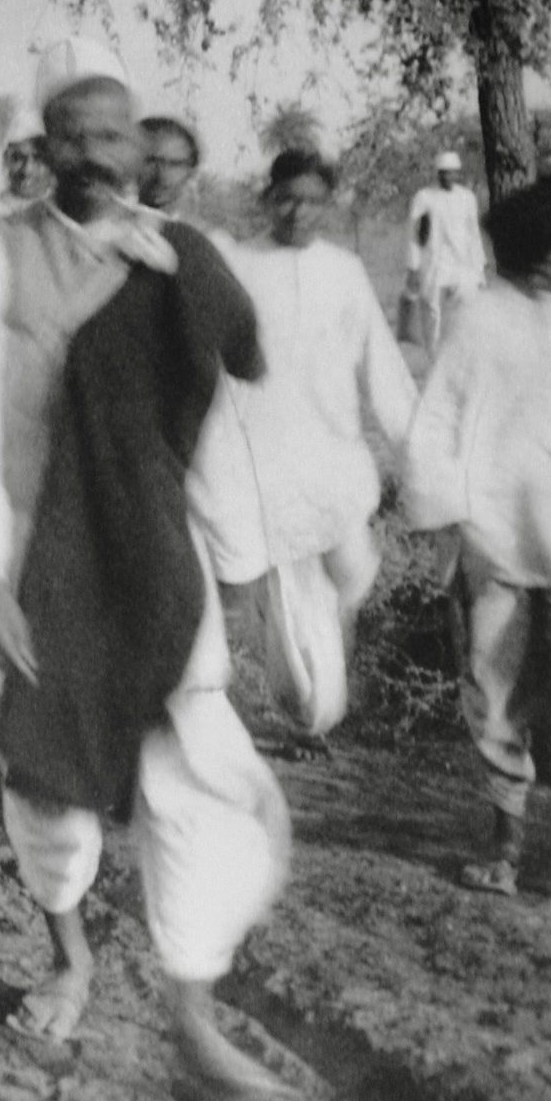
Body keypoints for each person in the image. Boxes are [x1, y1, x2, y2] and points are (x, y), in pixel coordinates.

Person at [0, 40, 287, 1096]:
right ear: (42, 148)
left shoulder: (177, 257)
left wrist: (242, 564)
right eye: (71, 136)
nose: (92, 154)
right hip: (29, 563)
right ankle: (68, 958)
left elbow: (219, 421)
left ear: (137, 143)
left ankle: (190, 1013)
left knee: (198, 785)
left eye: (111, 133)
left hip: (153, 562)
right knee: (50, 787)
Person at [402, 173, 551, 897]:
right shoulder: (477, 317)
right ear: (539, 253)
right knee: (498, 687)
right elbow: (441, 422)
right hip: (499, 537)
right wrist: (451, 528)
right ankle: (509, 853)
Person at [204, 149, 417, 752]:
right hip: (260, 460)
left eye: (313, 200)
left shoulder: (345, 272)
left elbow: (382, 365)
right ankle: (306, 708)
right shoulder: (238, 264)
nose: (299, 211)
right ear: (268, 198)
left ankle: (314, 692)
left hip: (333, 457)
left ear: (329, 205)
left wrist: (420, 458)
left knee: (350, 576)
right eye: (287, 197)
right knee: (287, 600)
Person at [405, 150, 487, 353]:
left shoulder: (467, 198)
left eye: (453, 173)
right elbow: (413, 235)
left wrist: (480, 267)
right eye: (445, 173)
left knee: (466, 310)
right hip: (435, 262)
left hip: (463, 263)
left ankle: (462, 357)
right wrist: (413, 267)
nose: (449, 177)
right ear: (438, 173)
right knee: (433, 313)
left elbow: (473, 234)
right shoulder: (424, 197)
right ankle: (434, 359)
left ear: (459, 174)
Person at [0, 108, 51, 220]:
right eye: (17, 159)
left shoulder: (65, 212)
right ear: (6, 161)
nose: (27, 170)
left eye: (38, 159)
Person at [139, 116, 202, 217]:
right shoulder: (109, 225)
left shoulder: (200, 232)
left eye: (175, 164)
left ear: (191, 172)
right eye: (152, 161)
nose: (163, 173)